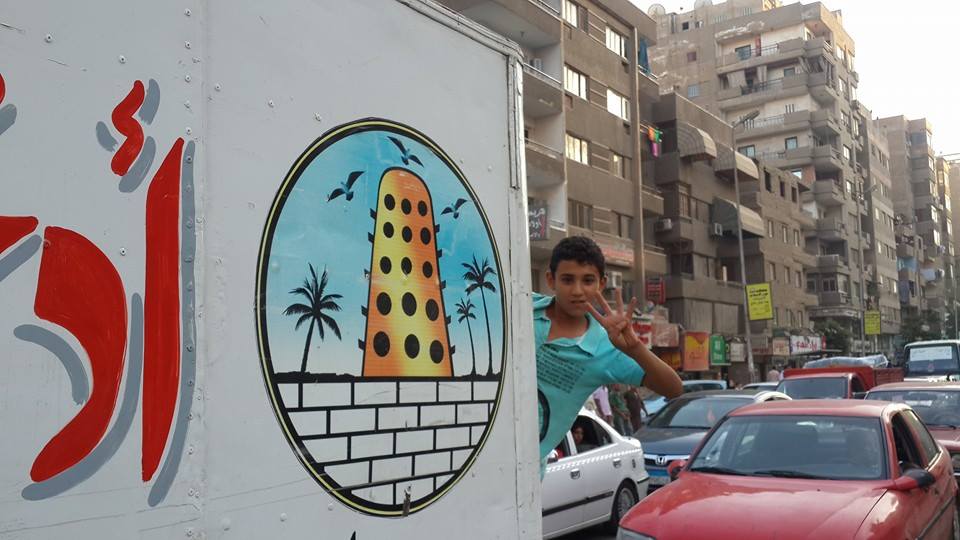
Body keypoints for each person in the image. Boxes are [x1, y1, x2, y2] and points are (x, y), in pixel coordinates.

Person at [535, 236, 682, 475]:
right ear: (551, 280)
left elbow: (674, 388)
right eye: (568, 280)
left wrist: (635, 347)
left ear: (601, 284)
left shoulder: (607, 348)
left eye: (588, 280)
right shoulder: (523, 306)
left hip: (524, 471)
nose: (577, 291)